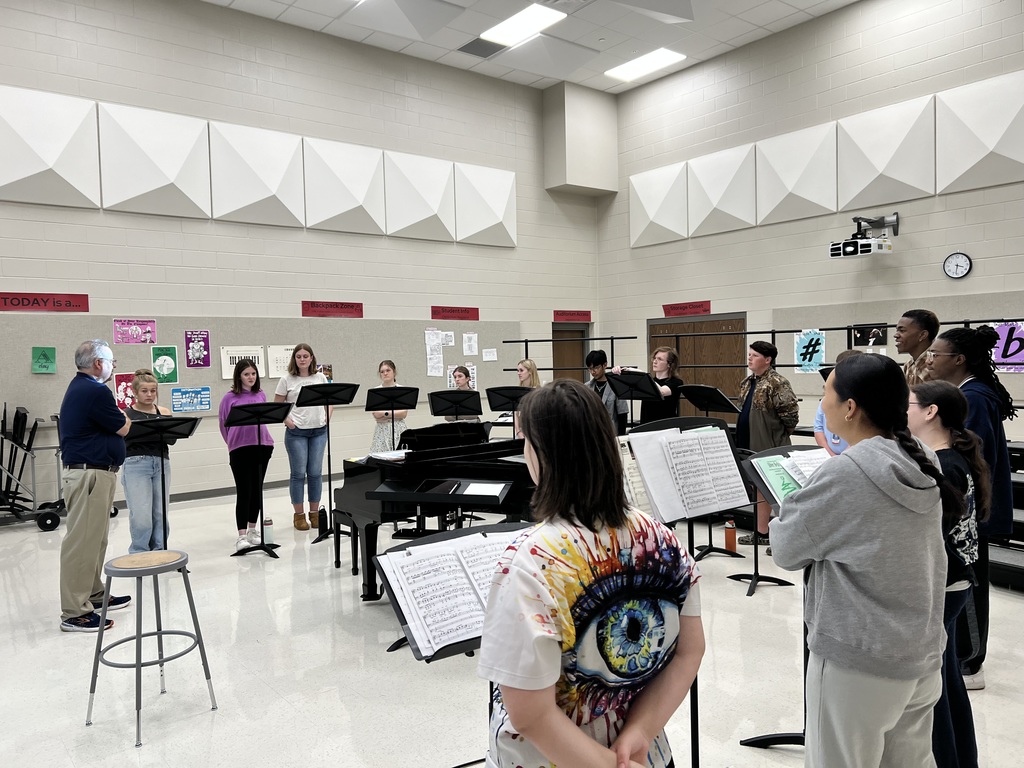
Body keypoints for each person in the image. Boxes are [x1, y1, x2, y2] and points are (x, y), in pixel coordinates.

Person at [478, 379, 704, 768]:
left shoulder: (530, 560)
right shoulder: (661, 537)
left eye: (526, 442)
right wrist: (641, 731)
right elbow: (689, 651)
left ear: (543, 455)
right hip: (644, 754)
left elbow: (529, 714)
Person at [769, 354, 949, 768]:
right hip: (918, 652)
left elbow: (786, 549)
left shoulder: (846, 472)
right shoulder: (921, 454)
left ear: (850, 407)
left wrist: (793, 505)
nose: (822, 403)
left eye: (826, 393)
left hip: (859, 659)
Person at [926, 325, 1016, 691]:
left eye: (936, 354)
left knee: (969, 582)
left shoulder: (975, 397)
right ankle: (960, 653)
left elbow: (974, 456)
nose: (929, 360)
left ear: (959, 360)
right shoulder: (967, 393)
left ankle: (971, 660)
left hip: (971, 506)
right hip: (966, 502)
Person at [908, 380, 990, 768]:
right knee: (948, 682)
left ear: (931, 412)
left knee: (933, 691)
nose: (903, 411)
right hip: (953, 583)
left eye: (909, 404)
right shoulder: (949, 458)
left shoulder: (944, 465)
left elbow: (930, 534)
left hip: (944, 584)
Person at [59, 340, 132, 632]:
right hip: (89, 474)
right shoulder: (95, 391)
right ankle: (74, 612)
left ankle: (93, 593)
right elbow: (124, 427)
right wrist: (124, 415)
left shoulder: (82, 388)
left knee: (95, 540)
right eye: (112, 362)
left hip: (95, 473)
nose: (114, 367)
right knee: (82, 544)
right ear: (99, 363)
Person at [736, 341, 799, 546]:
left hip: (770, 440)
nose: (749, 358)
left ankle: (784, 539)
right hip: (749, 439)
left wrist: (777, 434)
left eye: (754, 355)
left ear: (768, 359)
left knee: (777, 488)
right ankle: (761, 532)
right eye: (749, 354)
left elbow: (790, 415)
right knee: (758, 487)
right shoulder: (747, 382)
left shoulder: (778, 382)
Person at [219, 359, 274, 552]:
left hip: (262, 445)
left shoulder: (261, 394)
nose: (251, 377)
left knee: (257, 490)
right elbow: (223, 424)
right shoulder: (229, 398)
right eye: (246, 374)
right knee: (244, 491)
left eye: (253, 373)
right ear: (239, 376)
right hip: (240, 448)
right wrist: (233, 443)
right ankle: (241, 535)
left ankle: (252, 530)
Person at [274, 343, 330, 531]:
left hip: (319, 431)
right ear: (294, 359)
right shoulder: (286, 379)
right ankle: (299, 516)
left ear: (311, 358)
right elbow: (278, 406)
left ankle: (314, 514)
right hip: (296, 432)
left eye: (306, 356)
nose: (302, 359)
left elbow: (329, 401)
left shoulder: (320, 377)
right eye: (299, 356)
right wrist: (288, 421)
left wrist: (327, 417)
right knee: (298, 474)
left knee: (315, 473)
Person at [122, 368, 174, 553]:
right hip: (136, 464)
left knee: (160, 512)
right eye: (144, 391)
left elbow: (172, 439)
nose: (150, 394)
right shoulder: (126, 414)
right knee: (141, 514)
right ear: (135, 392)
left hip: (161, 463)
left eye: (153, 390)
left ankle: (160, 550)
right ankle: (139, 552)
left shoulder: (163, 411)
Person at [813, 349, 862, 456]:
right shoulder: (827, 399)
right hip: (830, 454)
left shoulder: (860, 401)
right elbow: (818, 428)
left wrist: (843, 457)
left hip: (854, 455)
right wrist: (831, 455)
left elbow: (862, 433)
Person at [585, 349, 628, 435]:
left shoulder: (615, 386)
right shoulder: (587, 387)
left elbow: (622, 414)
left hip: (610, 434)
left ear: (605, 365)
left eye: (596, 368)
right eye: (590, 368)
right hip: (592, 434)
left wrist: (621, 437)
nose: (593, 372)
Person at [638, 346, 684, 424]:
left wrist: (642, 375)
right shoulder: (649, 381)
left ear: (669, 364)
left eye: (660, 359)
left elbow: (661, 392)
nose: (655, 361)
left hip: (666, 426)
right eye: (654, 358)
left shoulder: (676, 382)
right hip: (647, 426)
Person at [894, 309, 939, 386]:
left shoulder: (936, 366)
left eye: (902, 330)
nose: (896, 335)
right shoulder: (908, 364)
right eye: (897, 330)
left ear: (922, 335)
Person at [370, 359, 408, 452]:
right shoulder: (376, 391)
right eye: (382, 372)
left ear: (394, 372)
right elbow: (376, 414)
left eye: (388, 370)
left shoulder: (402, 389)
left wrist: (385, 414)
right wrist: (394, 414)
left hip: (399, 428)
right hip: (382, 430)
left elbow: (403, 414)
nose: (385, 373)